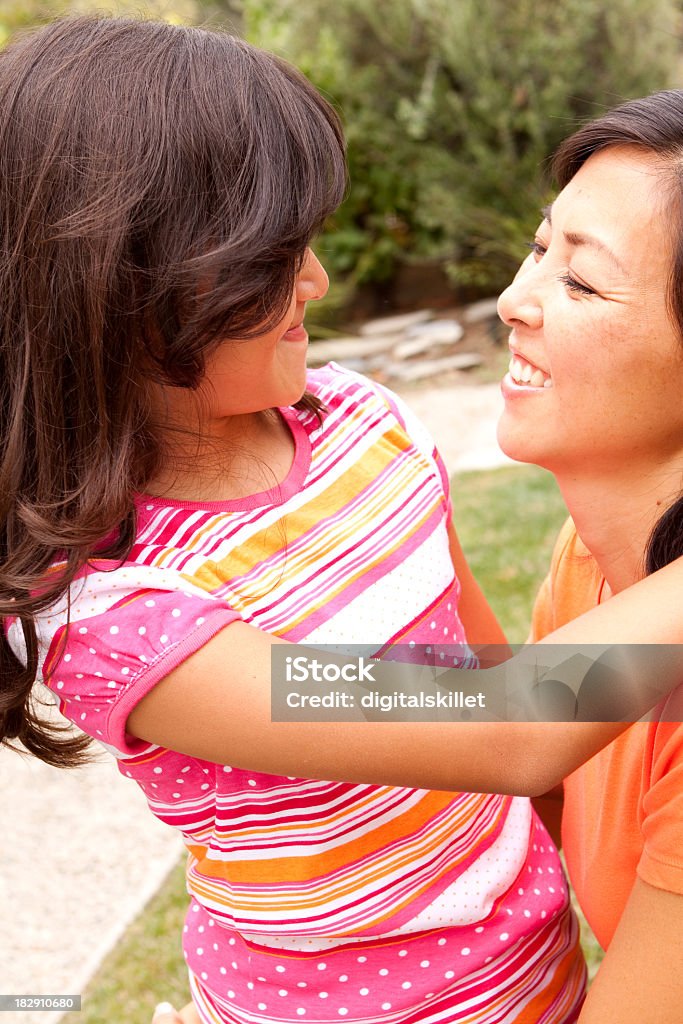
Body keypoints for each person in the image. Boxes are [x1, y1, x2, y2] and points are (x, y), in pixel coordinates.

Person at [2, 17, 683, 1024]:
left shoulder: (363, 424)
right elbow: (506, 728)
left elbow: (483, 677)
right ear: (119, 289)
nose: (316, 279)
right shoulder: (125, 615)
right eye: (273, 256)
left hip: (537, 982)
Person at [495, 90, 683, 1022]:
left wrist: (292, 691)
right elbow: (501, 736)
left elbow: (493, 726)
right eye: (539, 250)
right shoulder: (587, 563)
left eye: (580, 280)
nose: (511, 303)